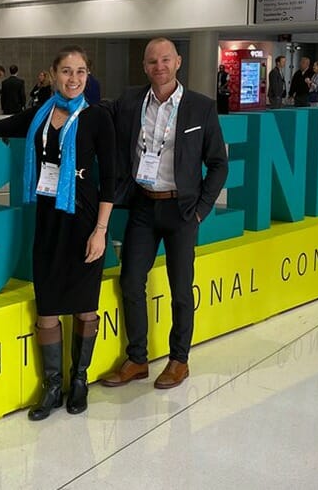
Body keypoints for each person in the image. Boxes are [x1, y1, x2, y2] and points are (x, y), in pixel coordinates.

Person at [0, 46, 115, 420]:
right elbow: (3, 126)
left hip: (84, 222)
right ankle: (53, 386)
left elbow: (113, 179)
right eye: (66, 71)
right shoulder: (39, 114)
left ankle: (79, 380)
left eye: (81, 72)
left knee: (86, 307)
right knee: (48, 309)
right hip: (48, 220)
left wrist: (101, 230)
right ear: (52, 74)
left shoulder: (96, 117)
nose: (73, 79)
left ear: (88, 76)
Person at [102, 37, 228, 390]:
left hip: (182, 209)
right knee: (130, 281)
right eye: (152, 61)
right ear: (144, 67)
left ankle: (179, 360)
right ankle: (137, 359)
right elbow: (93, 114)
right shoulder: (129, 101)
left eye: (166, 60)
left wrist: (201, 210)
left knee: (181, 289)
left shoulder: (200, 107)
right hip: (143, 203)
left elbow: (218, 164)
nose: (159, 66)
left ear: (178, 62)